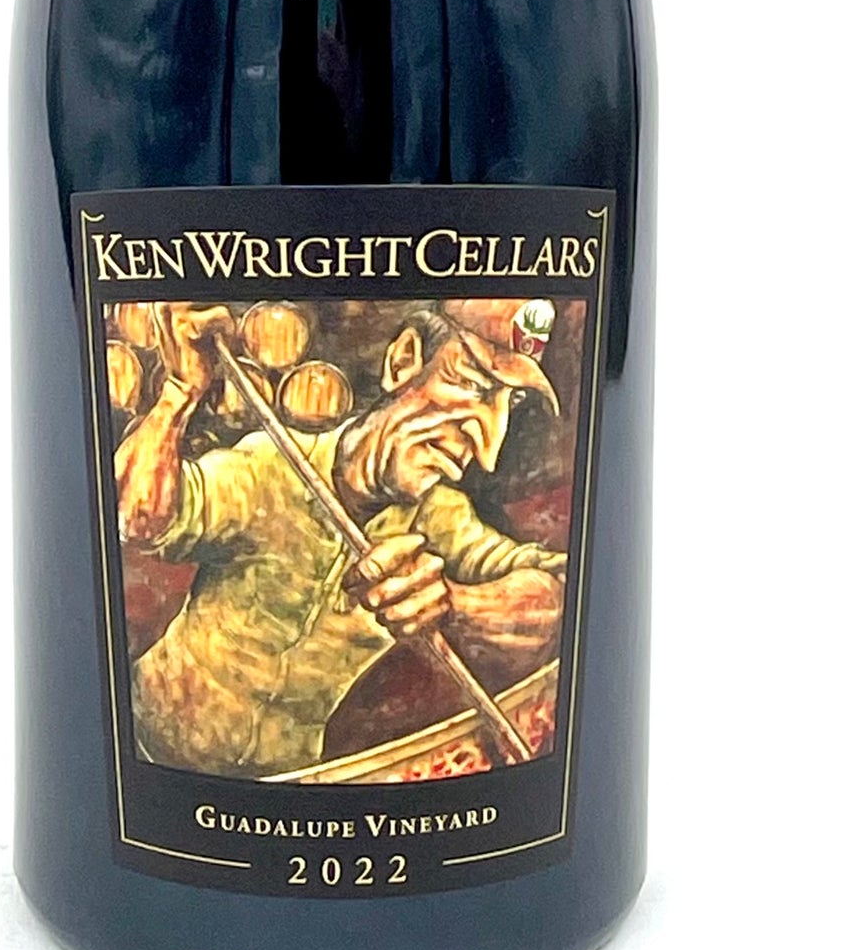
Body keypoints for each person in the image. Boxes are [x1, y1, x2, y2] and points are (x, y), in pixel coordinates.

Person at [115, 296, 568, 778]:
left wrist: (455, 604)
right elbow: (134, 517)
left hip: (291, 786)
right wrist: (179, 394)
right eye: (475, 385)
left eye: (508, 405)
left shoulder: (441, 520)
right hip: (146, 757)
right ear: (404, 360)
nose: (487, 447)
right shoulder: (269, 467)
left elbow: (559, 594)